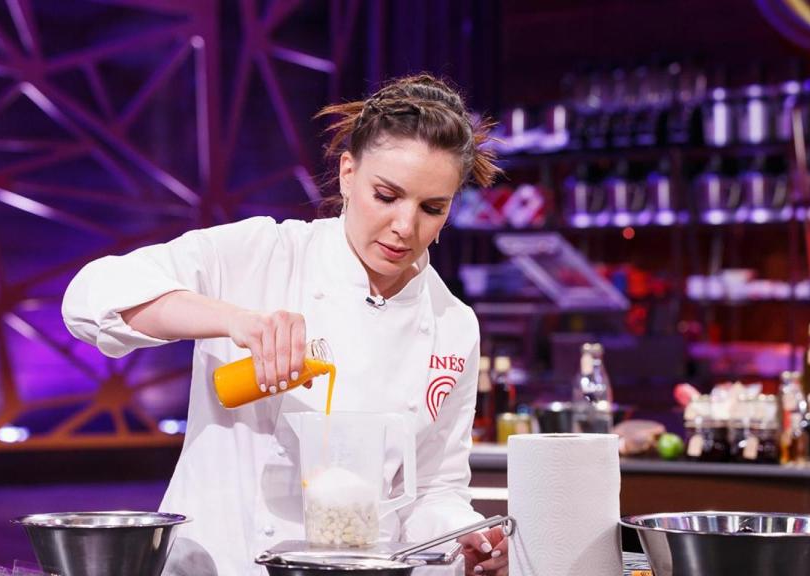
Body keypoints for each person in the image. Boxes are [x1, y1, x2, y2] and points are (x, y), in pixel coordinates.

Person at [62, 72, 507, 576]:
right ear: (346, 173)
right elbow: (89, 299)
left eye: (432, 208)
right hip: (221, 564)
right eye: (386, 196)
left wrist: (467, 538)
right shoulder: (263, 255)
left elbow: (432, 489)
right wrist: (234, 321)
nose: (406, 227)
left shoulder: (452, 324)